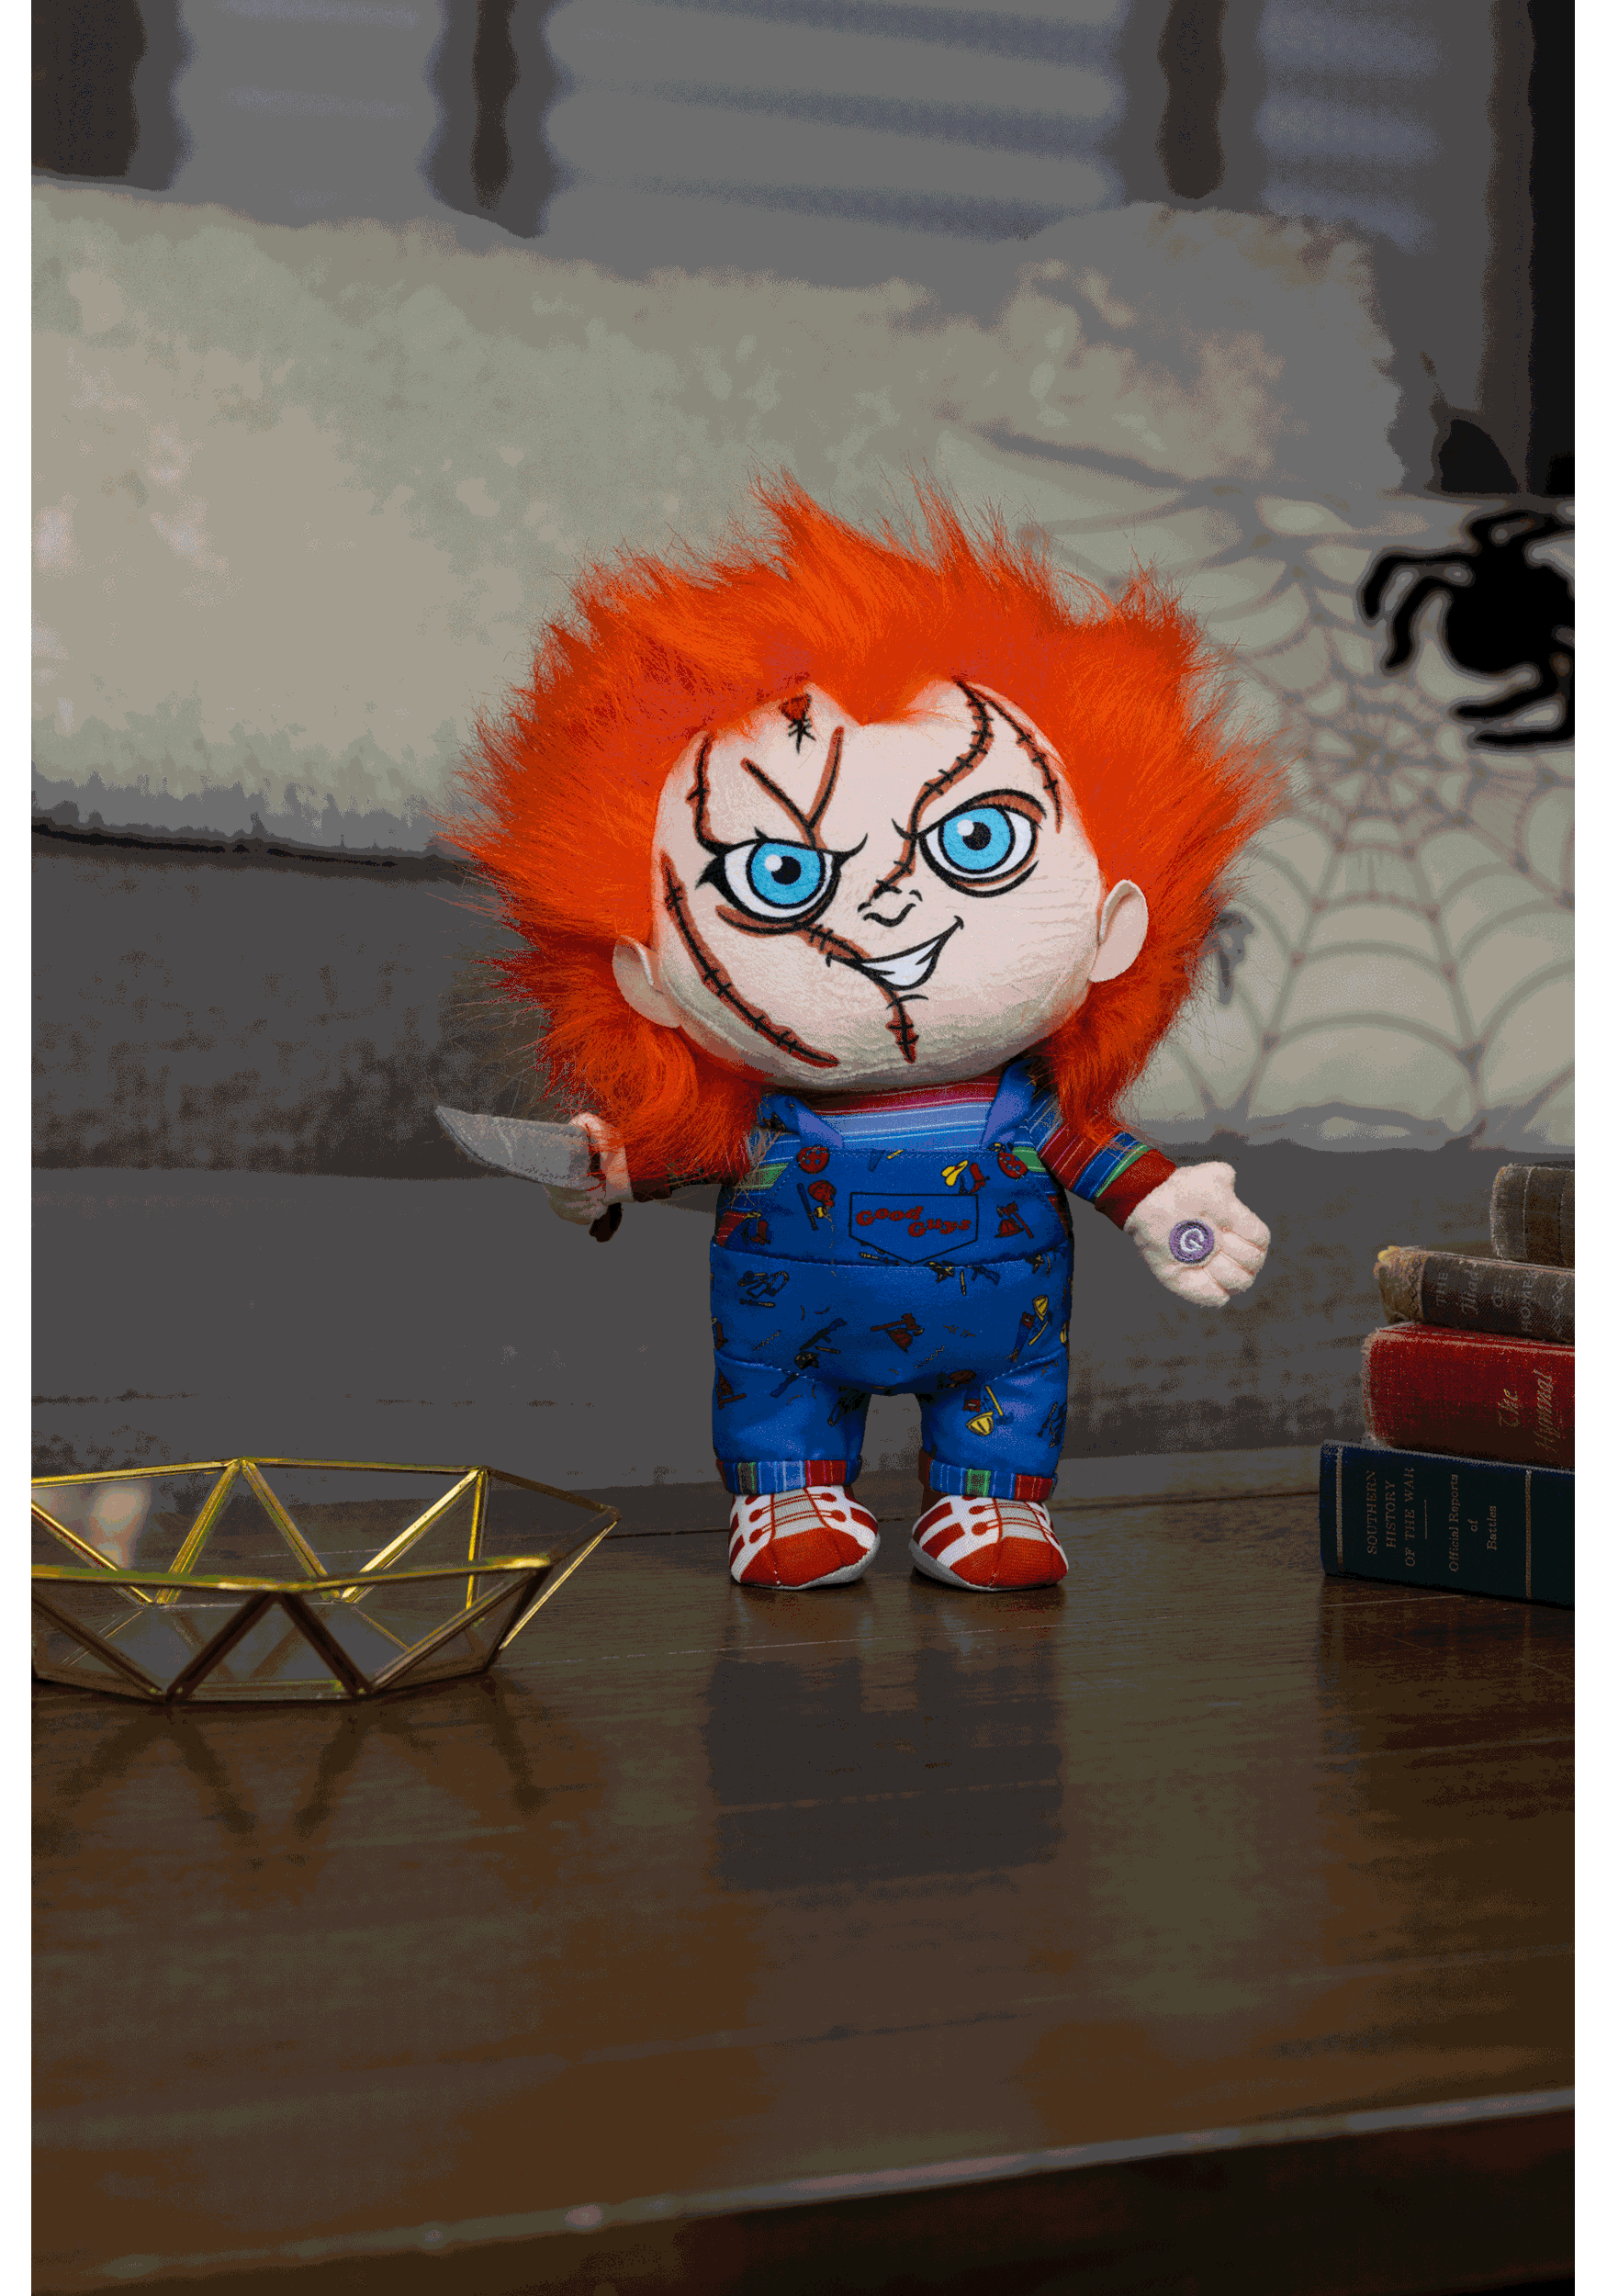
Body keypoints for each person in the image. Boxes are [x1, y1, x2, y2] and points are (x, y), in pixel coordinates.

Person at [449, 481, 1284, 1593]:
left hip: (999, 1332)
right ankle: (786, 1493)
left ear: (1115, 924)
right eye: (780, 872)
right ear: (644, 979)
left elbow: (1092, 1150)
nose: (889, 902)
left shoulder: (1027, 1109)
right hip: (790, 1326)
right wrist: (606, 1168)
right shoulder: (765, 1115)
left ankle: (992, 1499)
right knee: (777, 1393)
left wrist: (1166, 1207)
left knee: (1008, 1400)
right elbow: (685, 1149)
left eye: (976, 839)